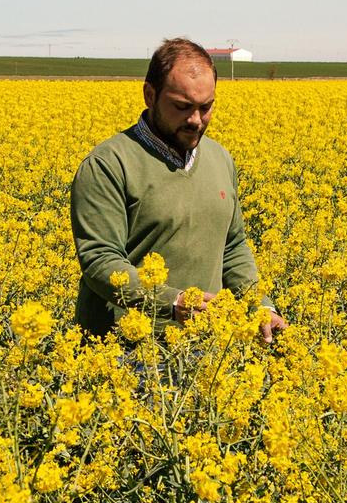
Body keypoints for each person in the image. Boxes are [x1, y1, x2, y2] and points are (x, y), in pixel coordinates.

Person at [71, 37, 287, 344]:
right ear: (150, 95)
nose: (196, 120)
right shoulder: (109, 164)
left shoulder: (220, 159)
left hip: (205, 346)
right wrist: (174, 303)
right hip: (124, 352)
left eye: (206, 107)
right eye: (182, 107)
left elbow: (233, 246)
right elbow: (100, 260)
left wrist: (259, 305)